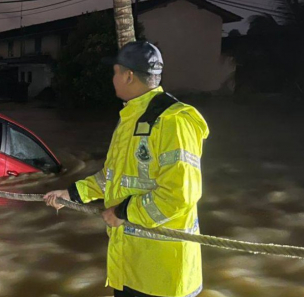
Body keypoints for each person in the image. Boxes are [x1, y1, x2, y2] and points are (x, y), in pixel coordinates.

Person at [44, 41, 209, 297]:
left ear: (128, 75)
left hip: (164, 275)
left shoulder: (174, 121)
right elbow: (112, 177)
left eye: (115, 72)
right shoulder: (130, 119)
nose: (113, 78)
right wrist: (73, 194)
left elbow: (180, 195)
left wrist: (123, 211)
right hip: (131, 265)